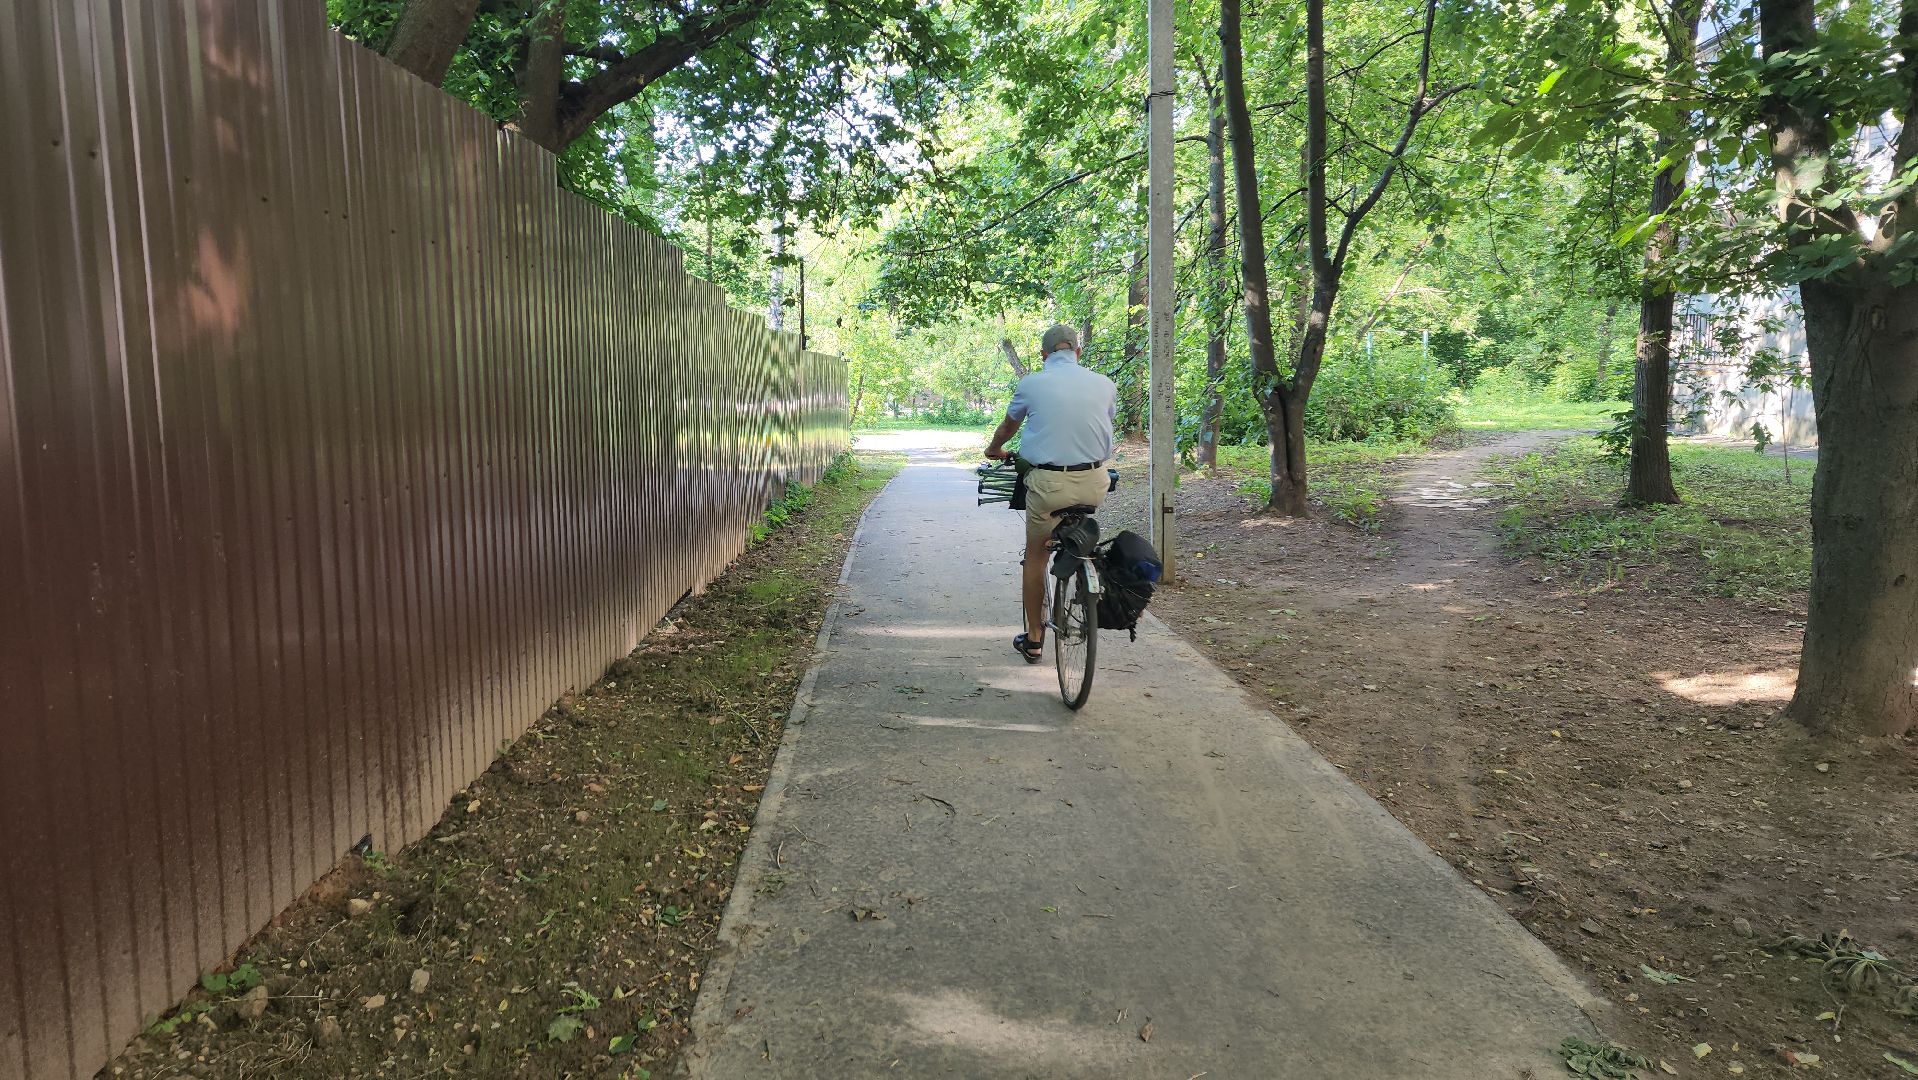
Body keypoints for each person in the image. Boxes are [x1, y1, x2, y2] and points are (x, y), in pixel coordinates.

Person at [984, 323, 1117, 664]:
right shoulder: (1105, 384)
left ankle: (1034, 638)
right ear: (1078, 351)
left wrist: (995, 449)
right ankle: (1081, 564)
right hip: (1095, 482)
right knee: (1077, 517)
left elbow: (1009, 426)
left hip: (1048, 487)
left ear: (1043, 355)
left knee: (1036, 555)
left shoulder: (1032, 383)